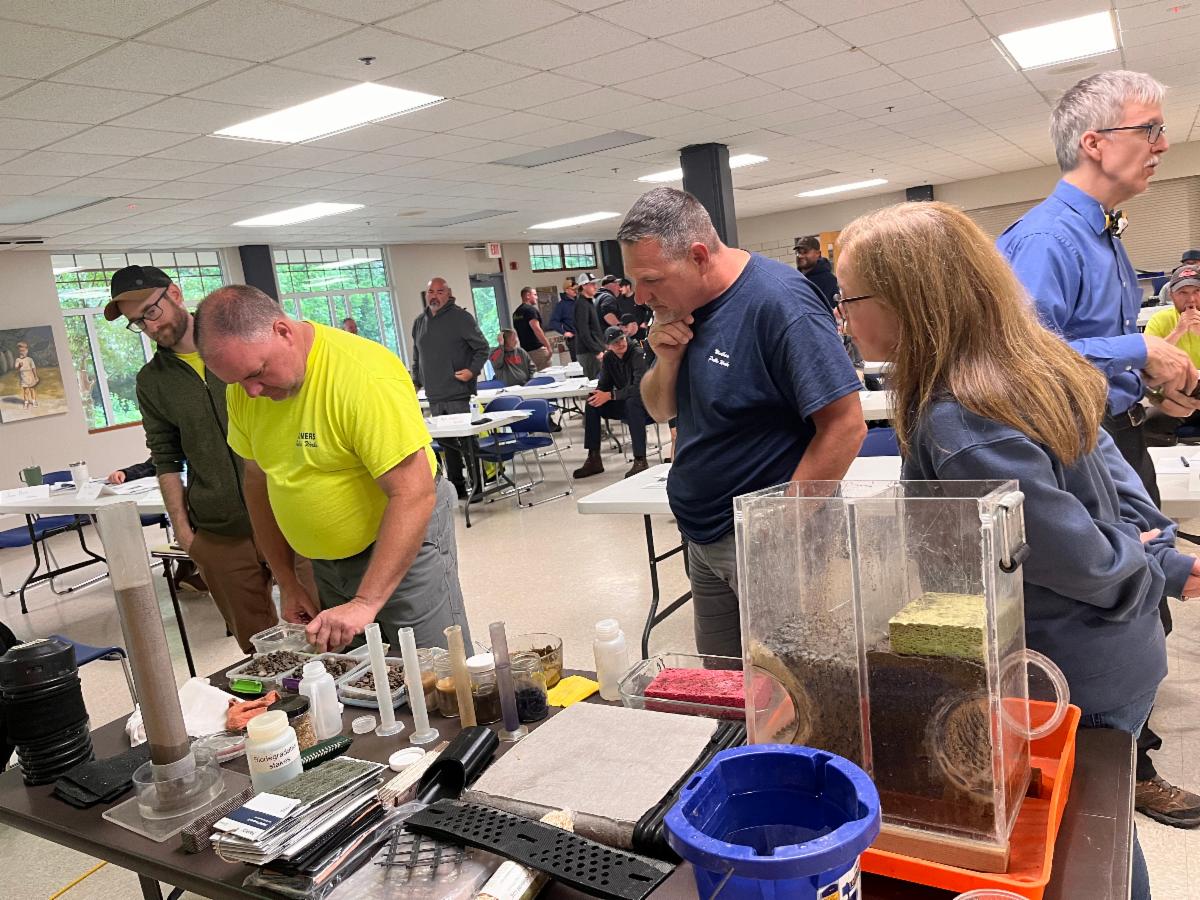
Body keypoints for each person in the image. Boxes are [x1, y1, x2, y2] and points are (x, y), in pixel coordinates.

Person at [836, 199, 1200, 900]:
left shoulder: (958, 415)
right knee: (1101, 823)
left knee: (1083, 845)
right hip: (1113, 652)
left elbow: (1077, 556)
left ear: (910, 298)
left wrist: (1144, 568)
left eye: (849, 299)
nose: (844, 318)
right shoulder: (1024, 365)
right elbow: (1118, 492)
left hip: (1069, 669)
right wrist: (1153, 558)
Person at [996, 70, 1200, 827]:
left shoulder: (1102, 234)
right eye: (1148, 129)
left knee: (1148, 596)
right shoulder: (1048, 238)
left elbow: (1092, 365)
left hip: (1108, 435)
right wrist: (1135, 351)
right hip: (1067, 447)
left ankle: (1121, 758)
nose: (1160, 144)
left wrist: (1148, 389)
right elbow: (1022, 364)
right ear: (1094, 142)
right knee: (1106, 601)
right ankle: (1115, 768)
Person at [622, 187, 866, 656]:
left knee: (787, 692)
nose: (639, 296)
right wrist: (667, 359)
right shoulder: (679, 309)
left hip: (768, 541)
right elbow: (658, 409)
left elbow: (846, 425)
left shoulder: (779, 302)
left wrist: (777, 530)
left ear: (697, 256)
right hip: (702, 534)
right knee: (727, 690)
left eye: (650, 279)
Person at [196, 285, 471, 653]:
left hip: (401, 546)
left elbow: (414, 492)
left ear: (283, 331)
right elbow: (259, 483)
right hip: (325, 563)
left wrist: (366, 602)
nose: (251, 392)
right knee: (361, 679)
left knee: (435, 671)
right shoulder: (246, 389)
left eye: (257, 373)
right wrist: (287, 581)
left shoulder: (362, 376)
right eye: (237, 381)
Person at [104, 265, 279, 652]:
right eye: (137, 323)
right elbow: (165, 456)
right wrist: (184, 533)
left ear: (176, 294)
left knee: (325, 628)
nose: (149, 327)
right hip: (219, 531)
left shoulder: (241, 342)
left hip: (287, 514)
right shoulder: (153, 381)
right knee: (260, 650)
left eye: (151, 312)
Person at [410, 277, 489, 499]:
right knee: (447, 445)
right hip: (434, 394)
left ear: (448, 293)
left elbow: (482, 348)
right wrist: (416, 381)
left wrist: (472, 371)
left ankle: (477, 486)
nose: (434, 296)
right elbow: (418, 357)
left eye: (440, 291)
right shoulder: (419, 322)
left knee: (466, 441)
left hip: (457, 391)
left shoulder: (461, 318)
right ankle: (458, 488)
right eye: (430, 292)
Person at [573, 326, 651, 480]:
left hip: (646, 405)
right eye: (615, 342)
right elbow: (604, 385)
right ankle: (594, 458)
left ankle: (640, 460)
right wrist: (599, 394)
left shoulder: (637, 353)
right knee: (592, 402)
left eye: (622, 339)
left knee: (632, 402)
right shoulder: (609, 358)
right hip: (624, 402)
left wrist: (611, 395)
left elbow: (640, 388)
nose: (621, 343)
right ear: (608, 346)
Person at [1145, 266, 1200, 441]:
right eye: (1183, 292)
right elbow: (1147, 361)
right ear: (1171, 295)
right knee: (1149, 424)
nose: (1191, 299)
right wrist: (1178, 332)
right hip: (1175, 392)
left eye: (1197, 291)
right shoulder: (1160, 320)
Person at [573, 273, 606, 379]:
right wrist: (596, 350)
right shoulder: (581, 305)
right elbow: (584, 331)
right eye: (592, 284)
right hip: (588, 352)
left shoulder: (589, 303)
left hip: (593, 350)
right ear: (583, 286)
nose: (595, 286)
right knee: (595, 386)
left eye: (595, 284)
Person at [794, 235, 838, 312]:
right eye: (798, 252)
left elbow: (832, 311)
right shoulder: (795, 278)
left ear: (818, 254)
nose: (800, 256)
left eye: (805, 252)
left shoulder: (828, 280)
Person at [512, 287, 552, 370]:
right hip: (537, 350)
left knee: (533, 377)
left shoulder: (516, 313)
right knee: (546, 376)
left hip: (525, 352)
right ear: (527, 295)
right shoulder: (530, 310)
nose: (537, 297)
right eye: (535, 295)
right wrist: (548, 346)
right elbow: (536, 329)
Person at [549, 279, 577, 361]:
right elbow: (553, 322)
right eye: (573, 289)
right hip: (574, 339)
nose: (575, 291)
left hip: (585, 337)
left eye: (576, 289)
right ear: (567, 290)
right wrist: (564, 332)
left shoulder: (580, 302)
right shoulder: (561, 305)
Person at [14, 341, 38, 409]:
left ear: (27, 350)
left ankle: (34, 401)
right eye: (20, 351)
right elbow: (16, 368)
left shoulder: (30, 359)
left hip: (31, 377)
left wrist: (36, 376)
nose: (22, 352)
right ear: (18, 351)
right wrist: (19, 365)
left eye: (23, 351)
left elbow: (33, 368)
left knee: (32, 390)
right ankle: (26, 403)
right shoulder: (18, 360)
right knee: (26, 391)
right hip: (24, 378)